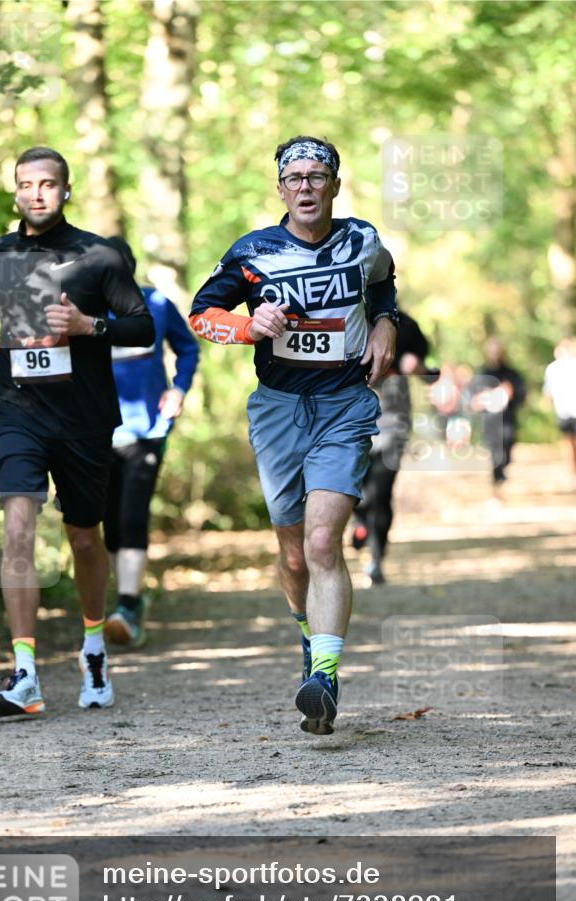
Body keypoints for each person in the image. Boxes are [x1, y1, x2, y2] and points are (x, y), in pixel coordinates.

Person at [189, 135, 398, 736]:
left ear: (335, 184)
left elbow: (383, 282)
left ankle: (326, 675)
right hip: (279, 409)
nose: (306, 187)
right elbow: (203, 314)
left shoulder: (362, 240)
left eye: (317, 176)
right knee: (292, 552)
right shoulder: (254, 251)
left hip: (344, 405)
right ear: (280, 188)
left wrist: (386, 323)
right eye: (295, 178)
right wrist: (249, 325)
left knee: (324, 541)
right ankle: (310, 641)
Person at [0, 147, 154, 718]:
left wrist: (87, 325)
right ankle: (24, 672)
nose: (37, 193)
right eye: (26, 184)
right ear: (16, 191)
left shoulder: (100, 255)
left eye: (48, 183)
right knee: (19, 525)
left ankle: (94, 645)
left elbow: (141, 324)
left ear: (65, 190)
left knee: (82, 538)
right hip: (17, 411)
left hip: (83, 418)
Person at [102, 237, 199, 646]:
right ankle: (129, 600)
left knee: (131, 514)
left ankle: (127, 602)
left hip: (148, 429)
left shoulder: (156, 304)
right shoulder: (85, 313)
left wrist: (178, 389)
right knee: (107, 522)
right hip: (98, 432)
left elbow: (188, 348)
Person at [352, 310, 438, 584]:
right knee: (355, 489)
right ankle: (360, 521)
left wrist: (419, 368)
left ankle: (376, 559)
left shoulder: (408, 325)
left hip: (394, 417)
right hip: (352, 414)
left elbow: (431, 373)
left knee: (382, 491)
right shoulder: (347, 314)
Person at [469, 338, 526, 488]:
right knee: (494, 451)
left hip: (507, 420)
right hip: (489, 421)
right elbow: (471, 400)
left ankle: (502, 471)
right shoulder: (481, 375)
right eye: (492, 351)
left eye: (497, 351)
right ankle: (497, 479)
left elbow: (522, 395)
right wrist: (480, 399)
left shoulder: (512, 374)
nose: (495, 354)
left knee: (507, 448)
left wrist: (511, 393)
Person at [543, 337, 576, 476]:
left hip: (568, 410)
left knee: (569, 442)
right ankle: (572, 471)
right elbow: (548, 391)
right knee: (568, 442)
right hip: (563, 411)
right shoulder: (552, 368)